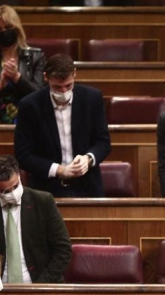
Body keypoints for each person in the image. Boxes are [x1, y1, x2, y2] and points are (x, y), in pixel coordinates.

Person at [14, 53, 111, 197]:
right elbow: (23, 155)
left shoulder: (92, 98)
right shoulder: (30, 105)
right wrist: (59, 170)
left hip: (87, 188)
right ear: (46, 77)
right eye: (57, 87)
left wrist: (88, 159)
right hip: (46, 191)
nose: (64, 91)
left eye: (68, 85)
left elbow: (103, 142)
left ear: (74, 74)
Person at [0, 154, 73, 284]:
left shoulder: (43, 202)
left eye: (16, 186)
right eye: (5, 191)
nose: (13, 193)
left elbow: (63, 250)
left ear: (19, 176)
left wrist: (41, 285)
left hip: (43, 284)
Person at [0, 5, 46, 124]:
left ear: (17, 28)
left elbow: (41, 96)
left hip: (28, 123)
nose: (4, 32)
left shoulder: (35, 56)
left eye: (8, 27)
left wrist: (17, 78)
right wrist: (0, 85)